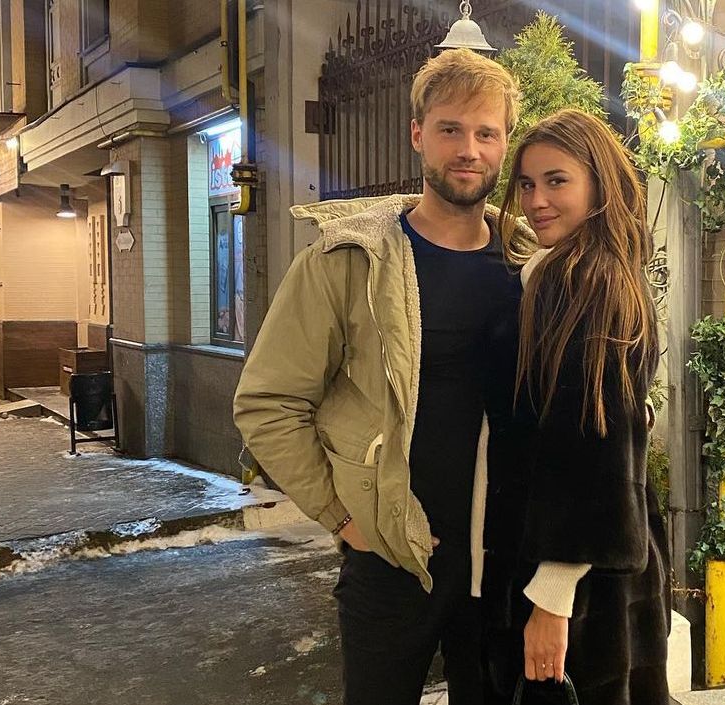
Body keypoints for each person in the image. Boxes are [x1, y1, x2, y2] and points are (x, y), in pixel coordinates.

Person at [233, 48, 524, 705]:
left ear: (504, 144)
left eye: (486, 133)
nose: (469, 149)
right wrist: (343, 518)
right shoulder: (347, 262)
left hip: (498, 561)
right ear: (418, 134)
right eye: (450, 129)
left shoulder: (526, 260)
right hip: (391, 560)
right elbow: (268, 403)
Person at [484, 107, 671, 705]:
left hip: (577, 584)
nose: (537, 200)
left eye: (556, 181)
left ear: (598, 185)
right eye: (526, 184)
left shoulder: (582, 286)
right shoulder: (585, 273)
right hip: (595, 574)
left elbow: (591, 447)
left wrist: (551, 598)